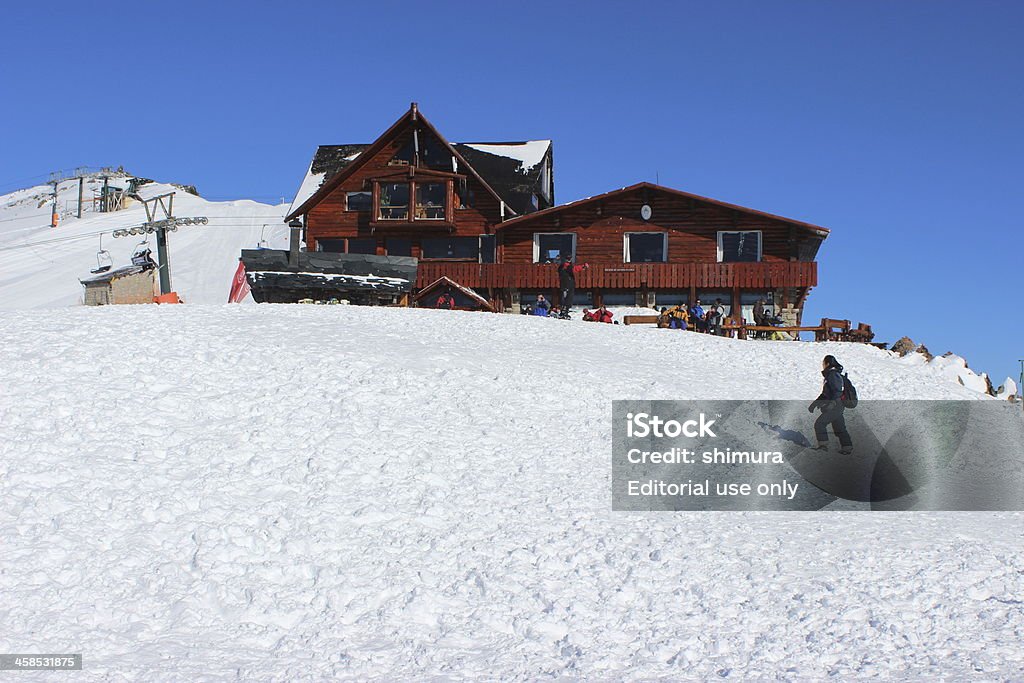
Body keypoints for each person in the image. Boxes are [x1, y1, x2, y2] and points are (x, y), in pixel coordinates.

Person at [808, 355, 853, 454]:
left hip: (835, 405)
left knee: (820, 424)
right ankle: (847, 447)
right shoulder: (832, 374)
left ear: (827, 363)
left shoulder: (832, 374)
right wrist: (815, 403)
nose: (822, 365)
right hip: (838, 405)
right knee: (839, 427)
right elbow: (826, 393)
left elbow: (837, 390)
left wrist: (832, 402)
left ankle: (823, 446)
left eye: (823, 363)